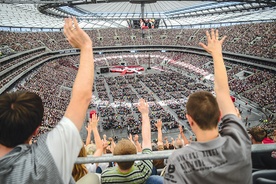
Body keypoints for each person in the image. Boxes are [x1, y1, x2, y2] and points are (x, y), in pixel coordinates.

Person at [0, 17, 94, 184]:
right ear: (36, 130)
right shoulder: (44, 160)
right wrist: (86, 47)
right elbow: (82, 97)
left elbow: (82, 98)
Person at [164, 29, 252, 184]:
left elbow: (222, 92)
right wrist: (217, 54)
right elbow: (223, 92)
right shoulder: (240, 142)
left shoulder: (178, 159)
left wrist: (216, 54)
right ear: (219, 115)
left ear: (189, 120)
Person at [101, 98, 153, 184]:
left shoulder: (106, 175)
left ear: (115, 159)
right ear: (135, 157)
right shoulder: (143, 171)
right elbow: (147, 141)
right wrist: (144, 114)